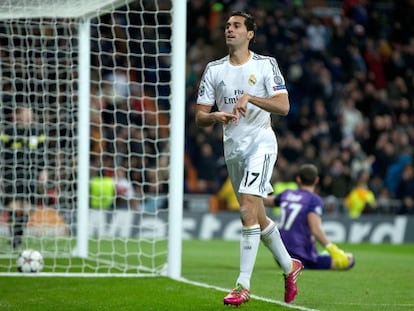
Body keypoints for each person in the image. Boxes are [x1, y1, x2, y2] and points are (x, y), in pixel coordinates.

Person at [195, 11, 303, 306]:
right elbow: (199, 116)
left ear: (249, 34)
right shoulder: (214, 69)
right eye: (228, 26)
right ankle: (289, 266)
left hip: (261, 144)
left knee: (245, 208)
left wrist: (251, 97)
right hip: (233, 149)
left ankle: (243, 285)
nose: (229, 29)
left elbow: (283, 106)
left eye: (236, 25)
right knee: (257, 216)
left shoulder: (266, 65)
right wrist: (214, 116)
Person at [263, 164, 355, 270]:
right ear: (316, 180)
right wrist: (332, 248)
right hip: (302, 257)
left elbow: (263, 200)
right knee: (350, 259)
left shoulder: (287, 194)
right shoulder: (313, 200)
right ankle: (317, 256)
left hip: (280, 255)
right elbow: (315, 229)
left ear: (298, 179)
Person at [0, 107, 48, 249]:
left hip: (30, 174)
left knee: (27, 208)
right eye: (26, 112)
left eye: (31, 113)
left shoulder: (37, 132)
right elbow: (2, 155)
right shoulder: (8, 132)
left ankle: (18, 238)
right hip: (11, 173)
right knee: (14, 206)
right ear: (18, 114)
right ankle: (15, 238)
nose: (29, 115)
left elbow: (41, 154)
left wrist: (43, 171)